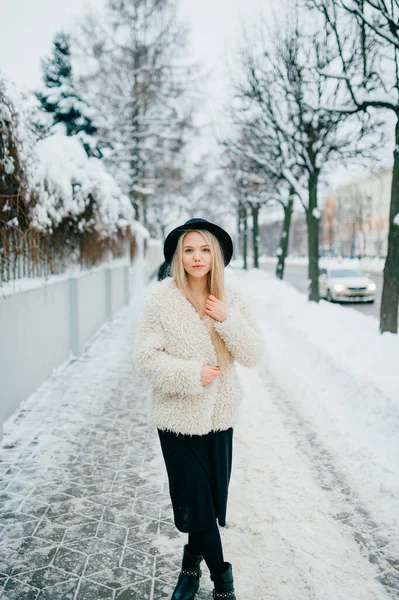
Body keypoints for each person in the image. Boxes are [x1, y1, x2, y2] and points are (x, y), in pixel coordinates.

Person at [134, 218, 264, 600]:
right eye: (188, 249)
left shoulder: (231, 298)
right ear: (178, 255)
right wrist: (192, 374)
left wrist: (228, 320)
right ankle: (223, 581)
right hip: (177, 418)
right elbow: (145, 358)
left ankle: (190, 565)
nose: (196, 257)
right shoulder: (161, 299)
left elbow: (254, 354)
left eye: (204, 249)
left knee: (207, 502)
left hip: (220, 418)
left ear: (216, 254)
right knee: (198, 503)